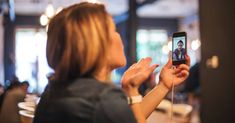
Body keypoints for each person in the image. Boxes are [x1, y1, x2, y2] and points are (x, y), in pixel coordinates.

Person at [33, 2, 190, 123]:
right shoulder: (102, 99)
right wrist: (133, 93)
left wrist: (161, 86)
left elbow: (126, 119)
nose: (119, 36)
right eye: (113, 29)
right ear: (96, 45)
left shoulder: (55, 90)